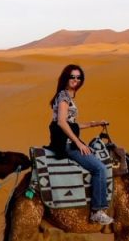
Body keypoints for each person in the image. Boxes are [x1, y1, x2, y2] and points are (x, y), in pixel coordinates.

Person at [47, 64, 113, 225]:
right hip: (67, 144)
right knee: (99, 168)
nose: (75, 80)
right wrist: (78, 143)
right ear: (66, 78)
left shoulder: (66, 97)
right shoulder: (63, 97)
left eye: (79, 77)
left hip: (69, 141)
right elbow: (62, 122)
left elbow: (71, 123)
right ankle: (97, 211)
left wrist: (94, 123)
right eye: (72, 77)